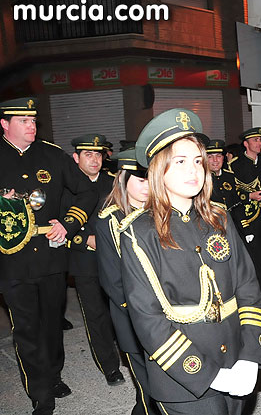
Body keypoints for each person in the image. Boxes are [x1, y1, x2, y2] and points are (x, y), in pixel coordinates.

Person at [118, 108, 261, 414]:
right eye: (181, 162)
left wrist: (252, 354)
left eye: (198, 161)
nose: (194, 171)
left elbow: (248, 288)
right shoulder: (139, 233)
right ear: (159, 169)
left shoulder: (219, 218)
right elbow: (148, 320)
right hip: (184, 379)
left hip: (236, 360)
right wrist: (211, 375)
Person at [0, 97, 97, 415]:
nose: (31, 125)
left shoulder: (53, 156)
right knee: (25, 327)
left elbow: (87, 191)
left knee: (52, 322)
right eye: (23, 121)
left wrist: (68, 223)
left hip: (52, 258)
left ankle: (53, 374)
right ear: (5, 124)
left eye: (33, 120)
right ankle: (40, 392)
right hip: (11, 260)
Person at [95, 148, 161, 415]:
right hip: (134, 316)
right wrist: (144, 314)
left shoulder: (162, 212)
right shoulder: (110, 221)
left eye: (150, 179)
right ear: (123, 180)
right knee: (146, 387)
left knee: (168, 384)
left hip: (169, 313)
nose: (147, 187)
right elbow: (112, 280)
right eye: (140, 180)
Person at [66, 133, 124, 386]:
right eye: (88, 154)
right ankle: (109, 366)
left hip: (114, 259)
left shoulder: (112, 183)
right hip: (85, 261)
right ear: (76, 157)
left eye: (98, 154)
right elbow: (55, 223)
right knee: (96, 314)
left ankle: (126, 351)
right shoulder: (65, 187)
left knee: (120, 308)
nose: (94, 159)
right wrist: (85, 239)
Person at [227, 127, 261, 316]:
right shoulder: (235, 164)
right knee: (252, 262)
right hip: (244, 219)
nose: (259, 143)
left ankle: (260, 300)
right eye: (254, 140)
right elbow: (231, 192)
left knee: (258, 260)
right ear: (246, 144)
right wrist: (249, 196)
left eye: (260, 140)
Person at [205, 139, 243, 226]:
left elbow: (237, 203)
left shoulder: (229, 176)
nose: (215, 160)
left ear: (223, 158)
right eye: (210, 157)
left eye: (218, 156)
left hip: (232, 224)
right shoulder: (201, 179)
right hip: (211, 224)